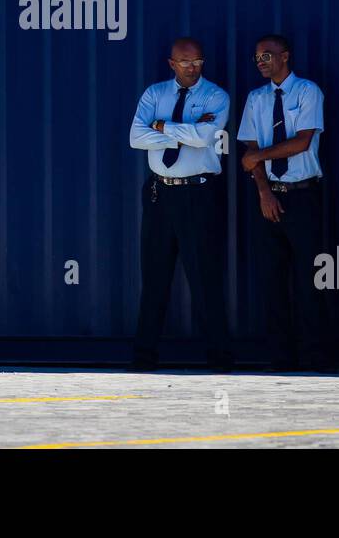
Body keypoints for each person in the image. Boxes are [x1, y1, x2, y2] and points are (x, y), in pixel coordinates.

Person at [128, 37, 233, 371]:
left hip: (198, 194)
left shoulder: (216, 95)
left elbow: (206, 138)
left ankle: (219, 359)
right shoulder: (154, 94)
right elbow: (135, 137)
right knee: (155, 279)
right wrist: (183, 131)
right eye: (185, 63)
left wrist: (160, 126)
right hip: (160, 194)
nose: (192, 68)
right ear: (171, 63)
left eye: (198, 62)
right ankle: (144, 359)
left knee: (204, 279)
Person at [237, 34, 328, 371]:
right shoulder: (256, 98)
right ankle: (280, 357)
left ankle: (315, 356)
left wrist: (259, 154)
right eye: (257, 58)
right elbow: (249, 153)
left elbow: (302, 142)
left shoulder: (308, 92)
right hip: (269, 195)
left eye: (267, 56)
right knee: (272, 280)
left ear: (285, 56)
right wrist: (263, 191)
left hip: (303, 195)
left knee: (310, 280)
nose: (261, 62)